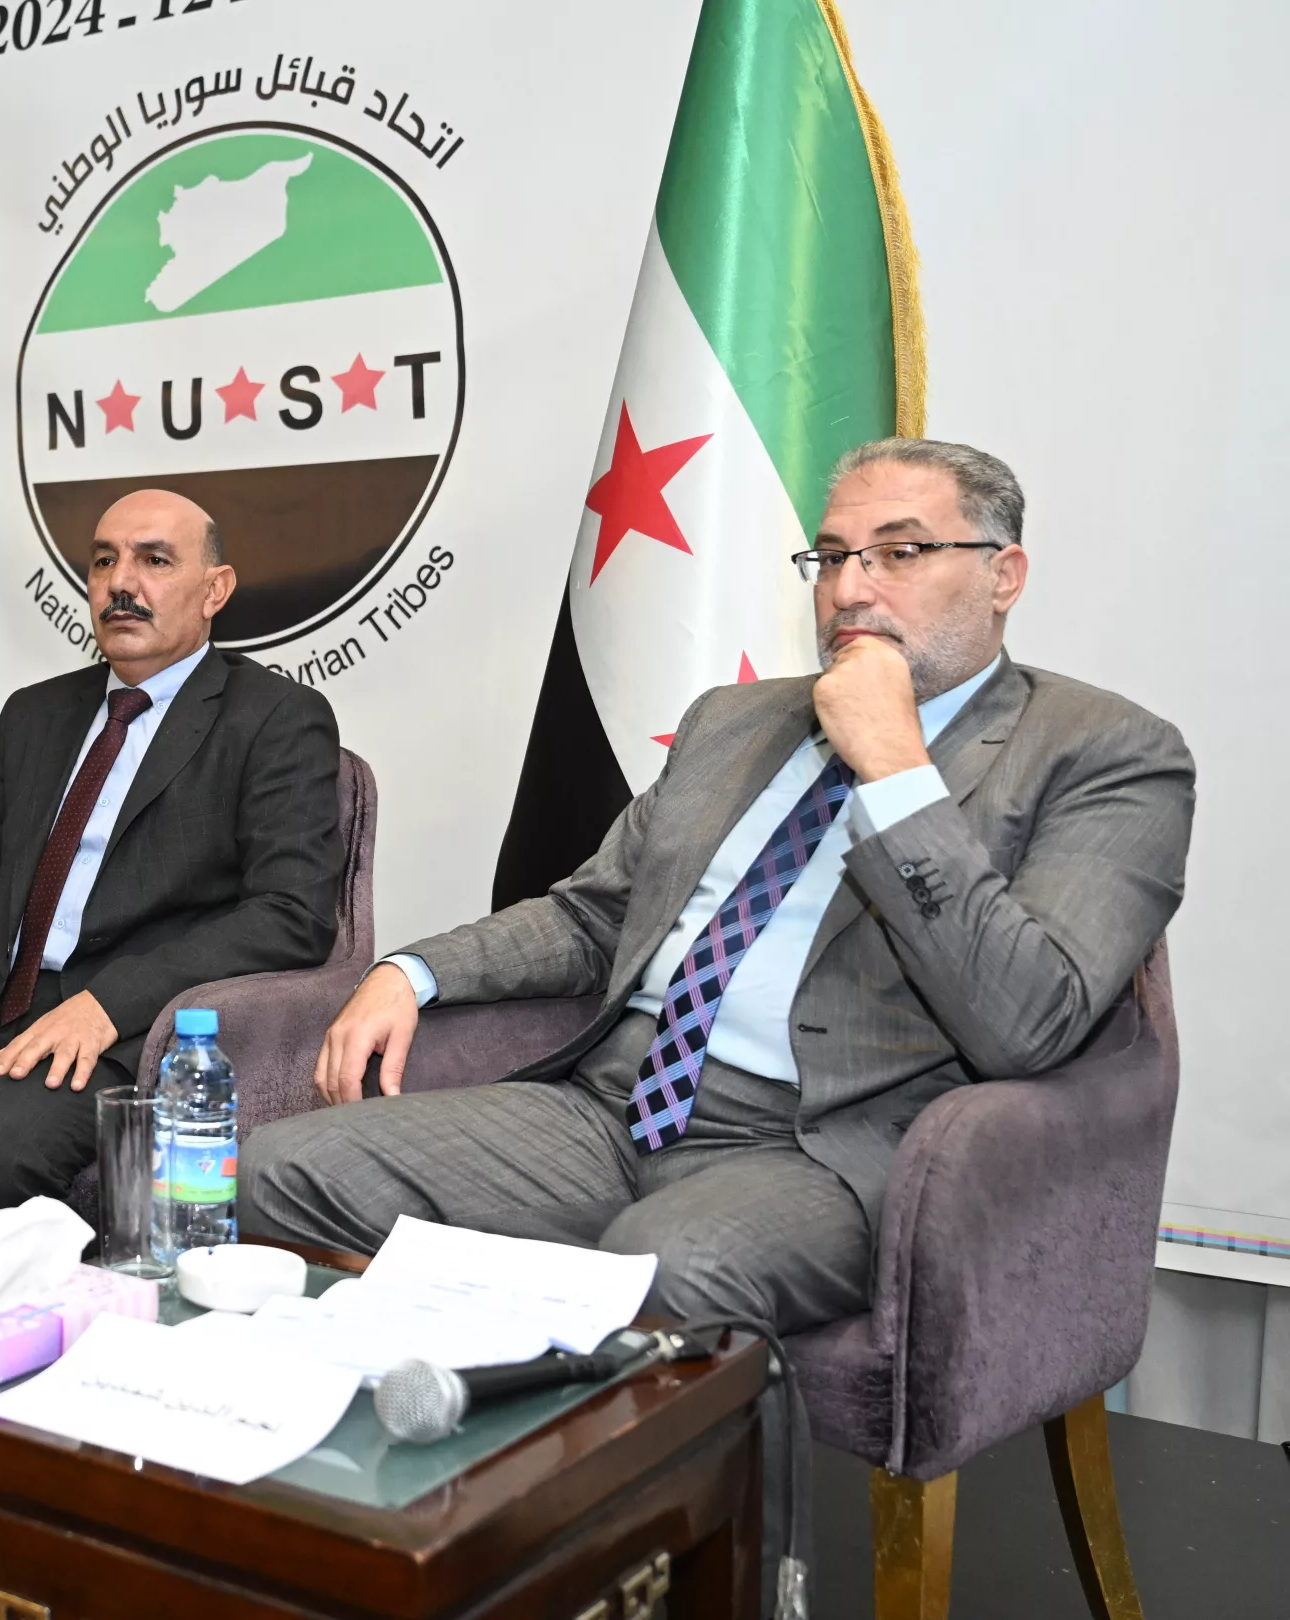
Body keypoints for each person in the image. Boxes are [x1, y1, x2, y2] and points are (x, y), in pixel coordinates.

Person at [241, 439, 1193, 1597]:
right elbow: (595, 914)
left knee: (662, 1271)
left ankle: (657, 1585)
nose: (850, 589)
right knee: (280, 1171)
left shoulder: (1106, 752)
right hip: (614, 1106)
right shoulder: (736, 722)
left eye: (899, 553)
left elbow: (1029, 1021)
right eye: (832, 556)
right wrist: (411, 972)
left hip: (822, 1147)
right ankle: (364, 1540)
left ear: (1004, 574)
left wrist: (895, 770)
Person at [0, 489, 343, 1222]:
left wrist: (111, 1004)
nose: (122, 583)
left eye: (155, 561)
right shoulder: (38, 713)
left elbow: (290, 914)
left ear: (215, 590)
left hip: (126, 1025)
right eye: (104, 561)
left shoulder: (275, 718)